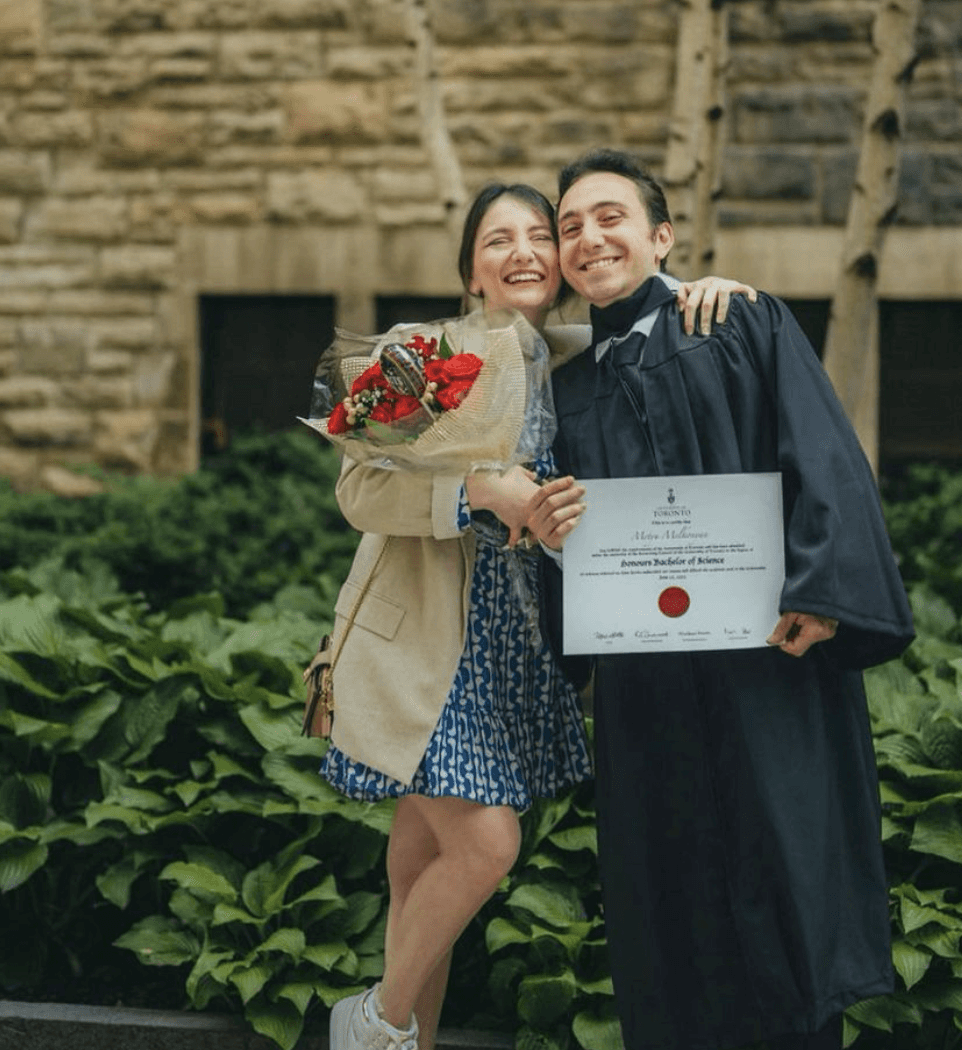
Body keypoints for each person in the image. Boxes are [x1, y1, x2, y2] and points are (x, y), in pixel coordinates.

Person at [321, 180, 755, 1050]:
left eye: (536, 237)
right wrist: (481, 488)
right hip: (427, 649)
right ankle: (372, 1025)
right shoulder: (421, 351)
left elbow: (642, 301)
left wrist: (708, 290)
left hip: (514, 652)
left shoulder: (570, 358)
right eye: (497, 240)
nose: (522, 252)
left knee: (418, 879)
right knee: (485, 849)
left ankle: (410, 1040)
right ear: (471, 270)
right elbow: (360, 487)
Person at [527, 148, 915, 1050]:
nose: (589, 237)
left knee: (780, 886)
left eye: (610, 216)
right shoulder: (568, 391)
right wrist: (554, 541)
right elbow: (576, 552)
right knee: (671, 906)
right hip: (648, 693)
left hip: (766, 664)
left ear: (661, 236)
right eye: (570, 226)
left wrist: (823, 596)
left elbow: (822, 454)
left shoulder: (738, 324)